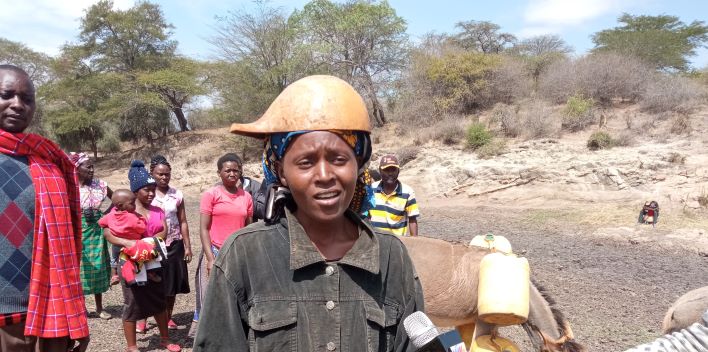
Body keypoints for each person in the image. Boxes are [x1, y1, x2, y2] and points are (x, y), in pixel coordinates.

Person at [193, 75, 424, 351]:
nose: (325, 175)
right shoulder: (244, 255)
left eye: (339, 159)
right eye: (306, 162)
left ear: (359, 164)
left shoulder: (391, 257)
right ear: (281, 172)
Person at [0, 65, 90, 352]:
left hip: (48, 309)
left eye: (27, 99)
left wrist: (76, 317)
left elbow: (64, 250)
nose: (18, 105)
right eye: (7, 95)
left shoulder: (50, 163)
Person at [102, 160, 180, 352]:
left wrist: (147, 243)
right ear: (136, 191)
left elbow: (163, 230)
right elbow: (107, 232)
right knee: (132, 302)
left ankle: (164, 339)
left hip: (152, 257)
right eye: (147, 189)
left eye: (153, 189)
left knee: (158, 300)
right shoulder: (122, 208)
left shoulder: (157, 210)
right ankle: (132, 346)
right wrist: (128, 243)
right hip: (129, 261)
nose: (152, 193)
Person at [189, 153, 253, 337]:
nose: (233, 174)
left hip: (237, 252)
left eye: (236, 170)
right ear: (219, 173)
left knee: (235, 295)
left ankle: (231, 337)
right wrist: (210, 258)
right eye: (228, 170)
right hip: (215, 251)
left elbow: (248, 227)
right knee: (209, 296)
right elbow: (203, 228)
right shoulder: (211, 194)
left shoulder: (246, 197)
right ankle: (205, 339)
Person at [149, 155, 191, 330]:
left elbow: (182, 221)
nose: (164, 177)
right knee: (152, 282)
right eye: (160, 174)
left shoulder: (177, 195)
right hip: (152, 245)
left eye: (167, 174)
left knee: (172, 283)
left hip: (174, 244)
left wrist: (187, 246)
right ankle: (145, 316)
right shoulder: (147, 193)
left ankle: (168, 316)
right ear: (152, 174)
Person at [70, 152, 113, 321]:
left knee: (98, 264)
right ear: (77, 168)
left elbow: (117, 200)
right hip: (75, 229)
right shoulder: (69, 186)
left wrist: (104, 216)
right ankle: (80, 307)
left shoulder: (100, 185)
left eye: (92, 166)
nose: (92, 169)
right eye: (88, 166)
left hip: (95, 229)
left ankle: (99, 307)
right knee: (78, 267)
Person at [99, 189, 163, 285]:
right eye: (132, 203)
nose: (134, 205)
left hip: (117, 245)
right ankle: (151, 272)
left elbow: (101, 223)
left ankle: (114, 275)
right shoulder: (132, 217)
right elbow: (141, 228)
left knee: (115, 258)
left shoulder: (110, 215)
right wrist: (140, 218)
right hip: (133, 244)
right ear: (121, 205)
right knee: (143, 256)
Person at [370, 154, 420, 236]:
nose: (390, 173)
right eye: (386, 170)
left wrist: (414, 243)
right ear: (380, 171)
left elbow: (412, 220)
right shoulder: (371, 189)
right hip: (375, 240)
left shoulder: (407, 192)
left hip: (397, 243)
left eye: (393, 170)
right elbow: (367, 216)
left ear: (398, 171)